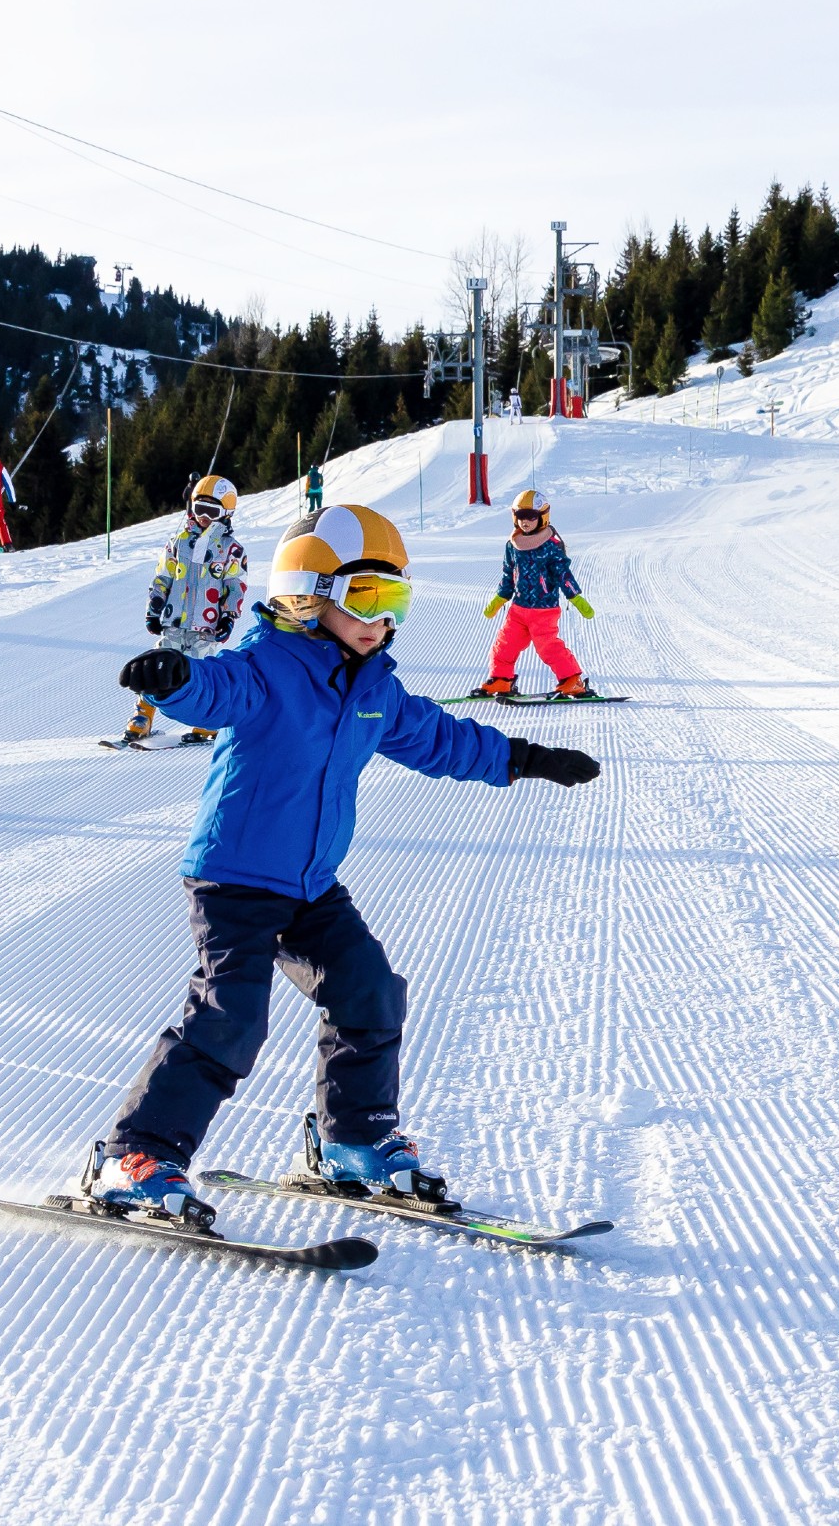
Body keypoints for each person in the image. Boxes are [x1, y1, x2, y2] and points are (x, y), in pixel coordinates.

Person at [85, 503, 602, 1226]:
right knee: (231, 1016)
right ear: (307, 594)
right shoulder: (266, 666)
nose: (380, 620)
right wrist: (173, 681)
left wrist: (526, 758)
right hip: (235, 879)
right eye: (365, 597)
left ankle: (352, 1141)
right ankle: (134, 1156)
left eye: (395, 602)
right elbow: (215, 689)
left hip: (310, 886)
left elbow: (442, 740)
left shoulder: (373, 688)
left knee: (371, 992)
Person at [117, 475, 247, 748]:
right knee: (158, 666)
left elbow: (235, 586)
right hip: (174, 619)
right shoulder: (179, 541)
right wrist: (154, 607)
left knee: (201, 672)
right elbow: (162, 577)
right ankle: (143, 716)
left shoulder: (231, 550)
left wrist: (228, 616)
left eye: (211, 511)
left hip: (206, 625)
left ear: (226, 513)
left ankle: (206, 721)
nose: (203, 517)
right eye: (199, 508)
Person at [469, 489, 597, 699]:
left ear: (542, 517)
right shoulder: (513, 544)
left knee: (548, 647)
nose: (525, 521)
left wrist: (575, 596)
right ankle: (501, 680)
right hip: (519, 609)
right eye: (520, 516)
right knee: (504, 645)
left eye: (531, 516)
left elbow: (562, 574)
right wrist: (500, 597)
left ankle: (572, 680)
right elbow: (509, 574)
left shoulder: (551, 546)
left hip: (544, 609)